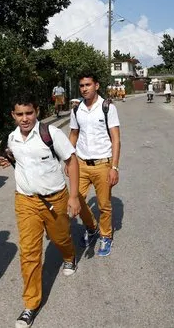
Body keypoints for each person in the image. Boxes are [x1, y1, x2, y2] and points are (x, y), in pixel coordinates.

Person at [0, 93, 81, 328]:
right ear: (13, 115)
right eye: (20, 114)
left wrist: (74, 196)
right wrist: (7, 159)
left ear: (36, 112)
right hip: (26, 201)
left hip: (55, 198)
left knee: (60, 237)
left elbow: (71, 161)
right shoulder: (13, 137)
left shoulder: (51, 134)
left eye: (29, 113)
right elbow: (15, 155)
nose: (25, 119)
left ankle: (69, 255)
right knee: (29, 252)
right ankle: (30, 305)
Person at [69, 72, 121, 257]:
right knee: (77, 200)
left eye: (88, 85)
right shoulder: (76, 109)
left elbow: (115, 139)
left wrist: (114, 167)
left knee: (104, 205)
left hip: (103, 164)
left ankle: (106, 236)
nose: (84, 88)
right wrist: (69, 161)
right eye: (82, 85)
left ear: (96, 86)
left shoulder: (107, 107)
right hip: (81, 164)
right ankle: (92, 228)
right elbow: (73, 135)